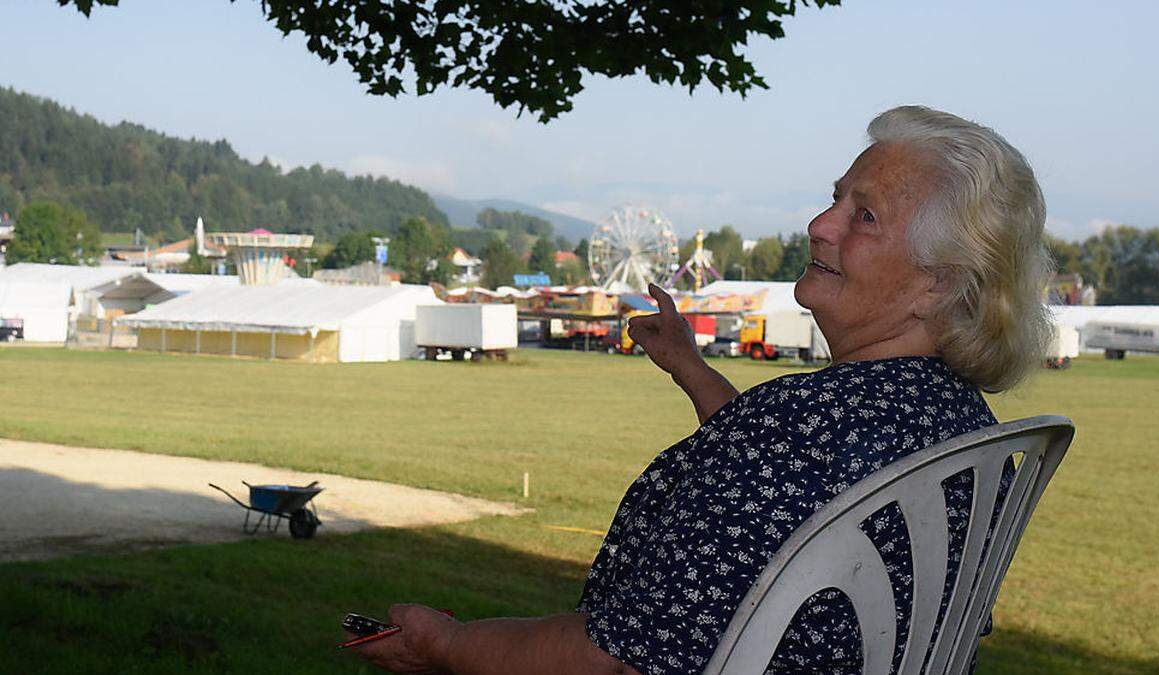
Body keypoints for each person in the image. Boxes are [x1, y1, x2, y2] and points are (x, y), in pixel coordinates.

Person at [350, 105, 1053, 674]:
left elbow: (621, 657)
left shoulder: (800, 427)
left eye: (863, 215)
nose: (820, 224)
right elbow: (790, 503)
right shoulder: (961, 427)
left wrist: (448, 643)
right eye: (834, 197)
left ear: (939, 281)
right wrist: (692, 367)